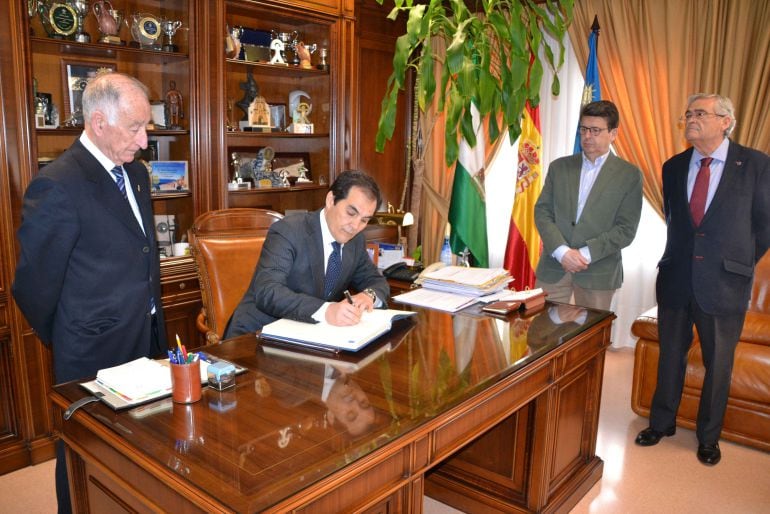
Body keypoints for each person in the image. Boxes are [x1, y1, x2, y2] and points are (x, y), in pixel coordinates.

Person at [12, 72, 167, 513]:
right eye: (135, 128)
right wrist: (70, 334)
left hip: (147, 336)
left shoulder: (135, 174)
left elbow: (141, 251)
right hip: (91, 353)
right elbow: (33, 286)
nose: (143, 141)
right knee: (84, 458)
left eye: (146, 129)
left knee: (139, 454)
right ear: (99, 122)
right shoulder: (58, 184)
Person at [635, 93, 770, 466]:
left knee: (719, 363)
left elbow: (765, 225)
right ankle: (661, 423)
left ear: (726, 121)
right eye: (689, 114)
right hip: (676, 277)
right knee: (669, 356)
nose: (691, 119)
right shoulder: (673, 166)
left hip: (725, 283)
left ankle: (709, 437)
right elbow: (677, 220)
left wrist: (737, 263)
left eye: (701, 114)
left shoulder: (756, 164)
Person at [225, 170, 390, 338]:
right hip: (256, 337)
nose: (355, 226)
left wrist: (368, 296)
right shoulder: (289, 231)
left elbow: (376, 281)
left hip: (308, 337)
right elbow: (268, 291)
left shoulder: (355, 242)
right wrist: (326, 311)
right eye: (351, 213)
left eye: (364, 220)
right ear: (331, 200)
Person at [534, 100, 643, 310]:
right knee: (542, 336)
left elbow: (625, 229)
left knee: (591, 339)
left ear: (613, 133)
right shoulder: (559, 167)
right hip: (554, 267)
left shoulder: (629, 175)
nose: (587, 136)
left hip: (598, 272)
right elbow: (543, 212)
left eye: (595, 130)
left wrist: (583, 255)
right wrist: (562, 251)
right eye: (583, 129)